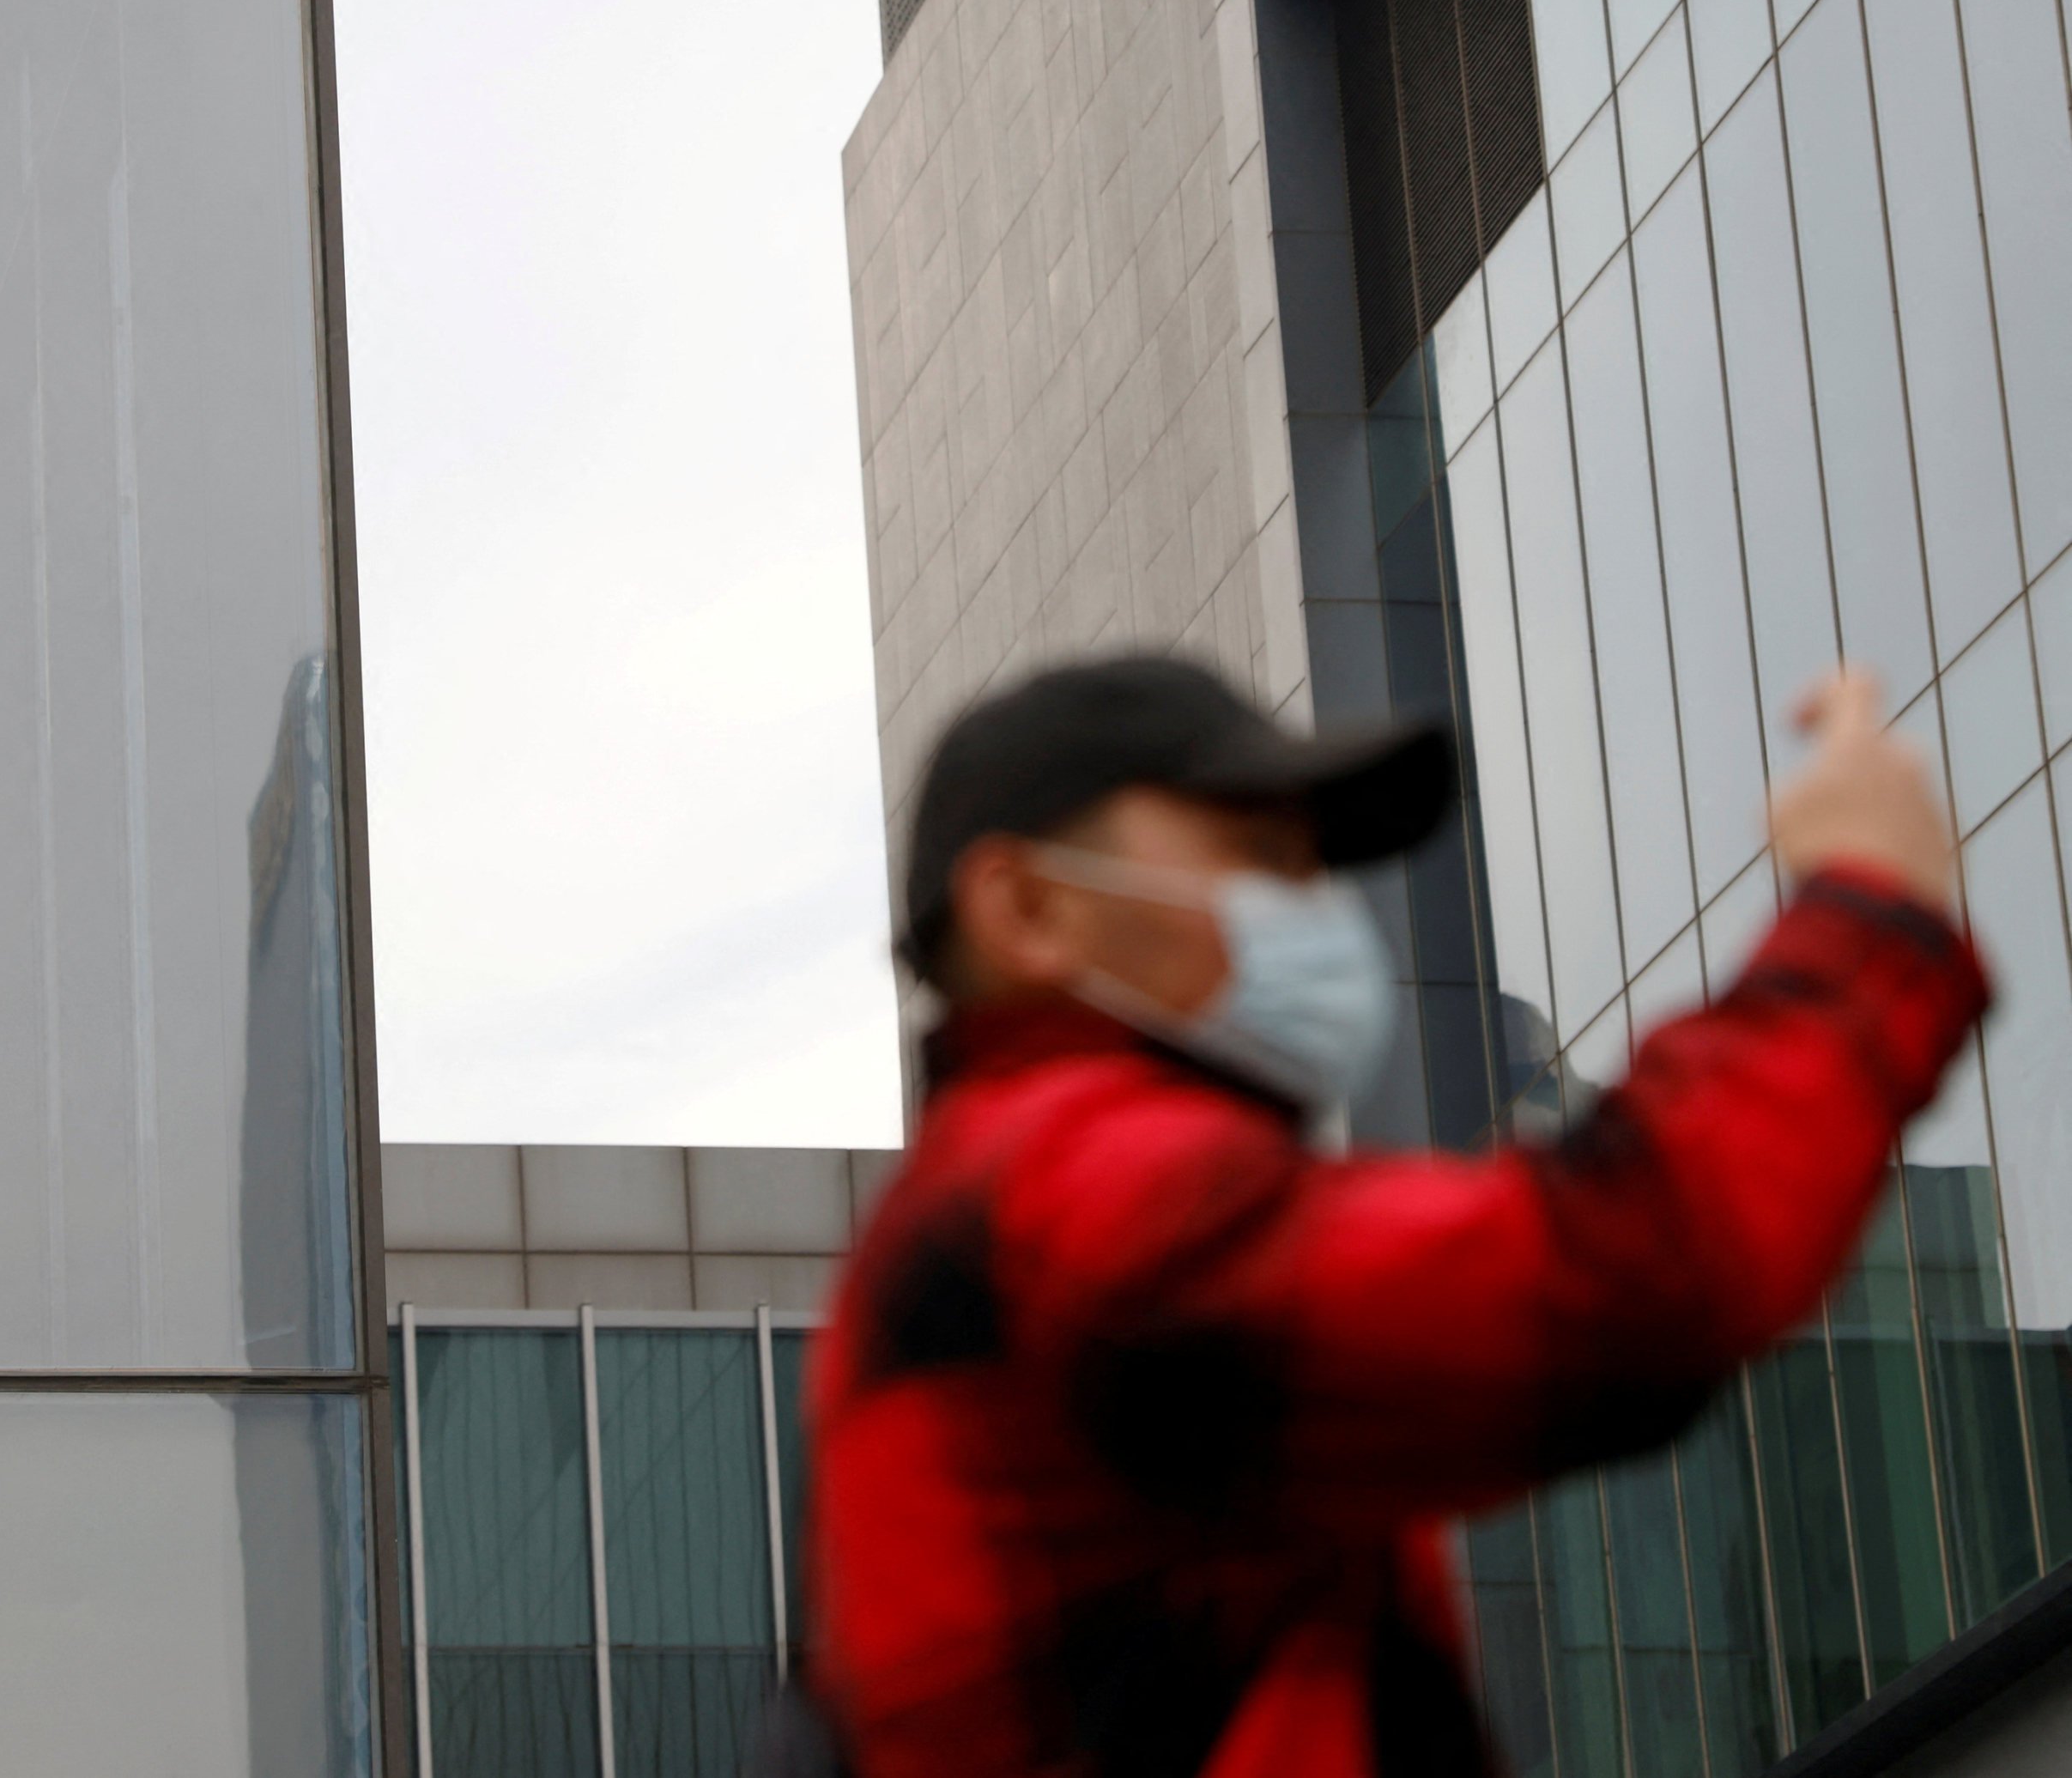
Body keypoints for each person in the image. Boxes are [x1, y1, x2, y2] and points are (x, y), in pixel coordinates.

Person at [799, 652, 1986, 1776]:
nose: (1314, 909)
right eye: (1261, 854)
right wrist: (1865, 916)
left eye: (1313, 868)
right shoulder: (1065, 1192)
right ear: (1025, 909)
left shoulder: (1004, 1210)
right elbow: (1631, 1269)